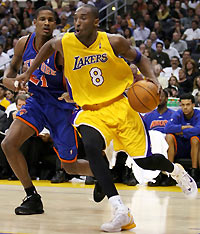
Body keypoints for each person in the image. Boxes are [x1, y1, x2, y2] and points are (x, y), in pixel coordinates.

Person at [14, 5, 197, 232]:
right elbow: (49, 46)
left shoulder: (114, 41)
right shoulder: (66, 42)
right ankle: (121, 210)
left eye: (83, 18)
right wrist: (27, 73)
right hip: (91, 111)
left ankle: (175, 170)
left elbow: (140, 59)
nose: (78, 22)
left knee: (145, 161)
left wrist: (154, 81)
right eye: (75, 18)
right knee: (90, 145)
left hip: (121, 106)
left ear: (96, 22)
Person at [1, 6, 94, 216]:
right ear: (35, 22)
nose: (46, 23)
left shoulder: (61, 47)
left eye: (51, 20)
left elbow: (78, 76)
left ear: (55, 25)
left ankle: (102, 172)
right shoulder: (24, 43)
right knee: (9, 143)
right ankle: (32, 196)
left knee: (69, 167)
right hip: (36, 102)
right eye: (42, 19)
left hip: (61, 107)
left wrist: (73, 94)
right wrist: (10, 79)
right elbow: (12, 67)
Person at [165, 93, 200, 186]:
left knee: (195, 139)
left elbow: (198, 130)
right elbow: (167, 128)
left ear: (193, 105)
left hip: (194, 148)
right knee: (169, 136)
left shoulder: (198, 114)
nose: (185, 107)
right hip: (180, 146)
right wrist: (184, 127)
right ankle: (169, 173)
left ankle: (195, 173)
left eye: (188, 104)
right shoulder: (178, 114)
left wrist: (180, 132)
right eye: (183, 105)